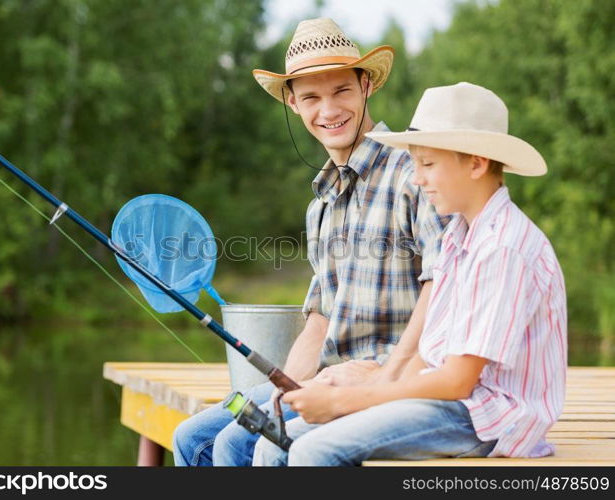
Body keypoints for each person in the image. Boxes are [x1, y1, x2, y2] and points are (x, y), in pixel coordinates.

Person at [172, 18, 448, 466]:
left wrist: (386, 373)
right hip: (327, 377)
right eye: (311, 98)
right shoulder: (320, 202)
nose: (329, 110)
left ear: (366, 86)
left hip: (392, 379)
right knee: (192, 438)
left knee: (238, 446)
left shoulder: (413, 173)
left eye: (341, 91)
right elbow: (319, 318)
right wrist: (284, 390)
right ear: (293, 103)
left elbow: (445, 283)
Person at [253, 82, 567, 466]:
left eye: (428, 164)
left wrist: (342, 401)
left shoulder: (502, 247)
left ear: (476, 163)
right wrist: (375, 388)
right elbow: (429, 356)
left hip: (484, 418)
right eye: (415, 163)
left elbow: (456, 381)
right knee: (277, 442)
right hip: (444, 401)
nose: (417, 178)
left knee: (313, 450)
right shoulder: (459, 236)